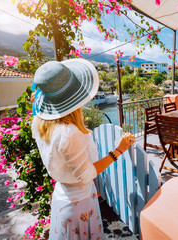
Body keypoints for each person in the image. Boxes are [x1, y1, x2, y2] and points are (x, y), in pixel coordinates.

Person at [31, 59, 135, 240]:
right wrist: (118, 150)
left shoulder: (40, 123)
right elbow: (86, 174)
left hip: (63, 196)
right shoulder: (69, 133)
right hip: (79, 204)